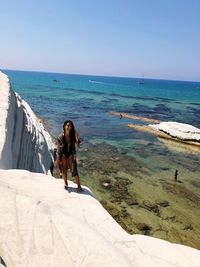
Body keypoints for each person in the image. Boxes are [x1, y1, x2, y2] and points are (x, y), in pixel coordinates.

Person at [55, 120, 83, 192]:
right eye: (67, 125)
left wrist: (77, 138)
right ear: (64, 126)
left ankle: (79, 186)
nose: (69, 127)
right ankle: (66, 183)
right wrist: (58, 159)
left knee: (74, 171)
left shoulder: (73, 136)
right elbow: (58, 148)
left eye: (70, 126)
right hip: (63, 155)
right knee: (64, 170)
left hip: (71, 155)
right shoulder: (61, 136)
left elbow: (78, 144)